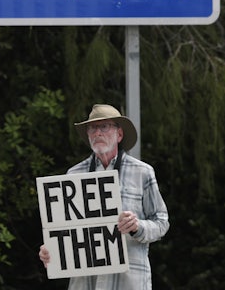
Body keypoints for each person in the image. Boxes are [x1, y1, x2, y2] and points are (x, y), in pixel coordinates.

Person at [38, 104, 170, 290]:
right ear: (88, 135)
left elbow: (161, 222)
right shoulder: (73, 175)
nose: (97, 132)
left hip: (129, 283)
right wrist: (53, 252)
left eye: (104, 126)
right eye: (92, 128)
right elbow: (65, 232)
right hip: (85, 284)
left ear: (119, 134)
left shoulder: (142, 172)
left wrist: (137, 226)